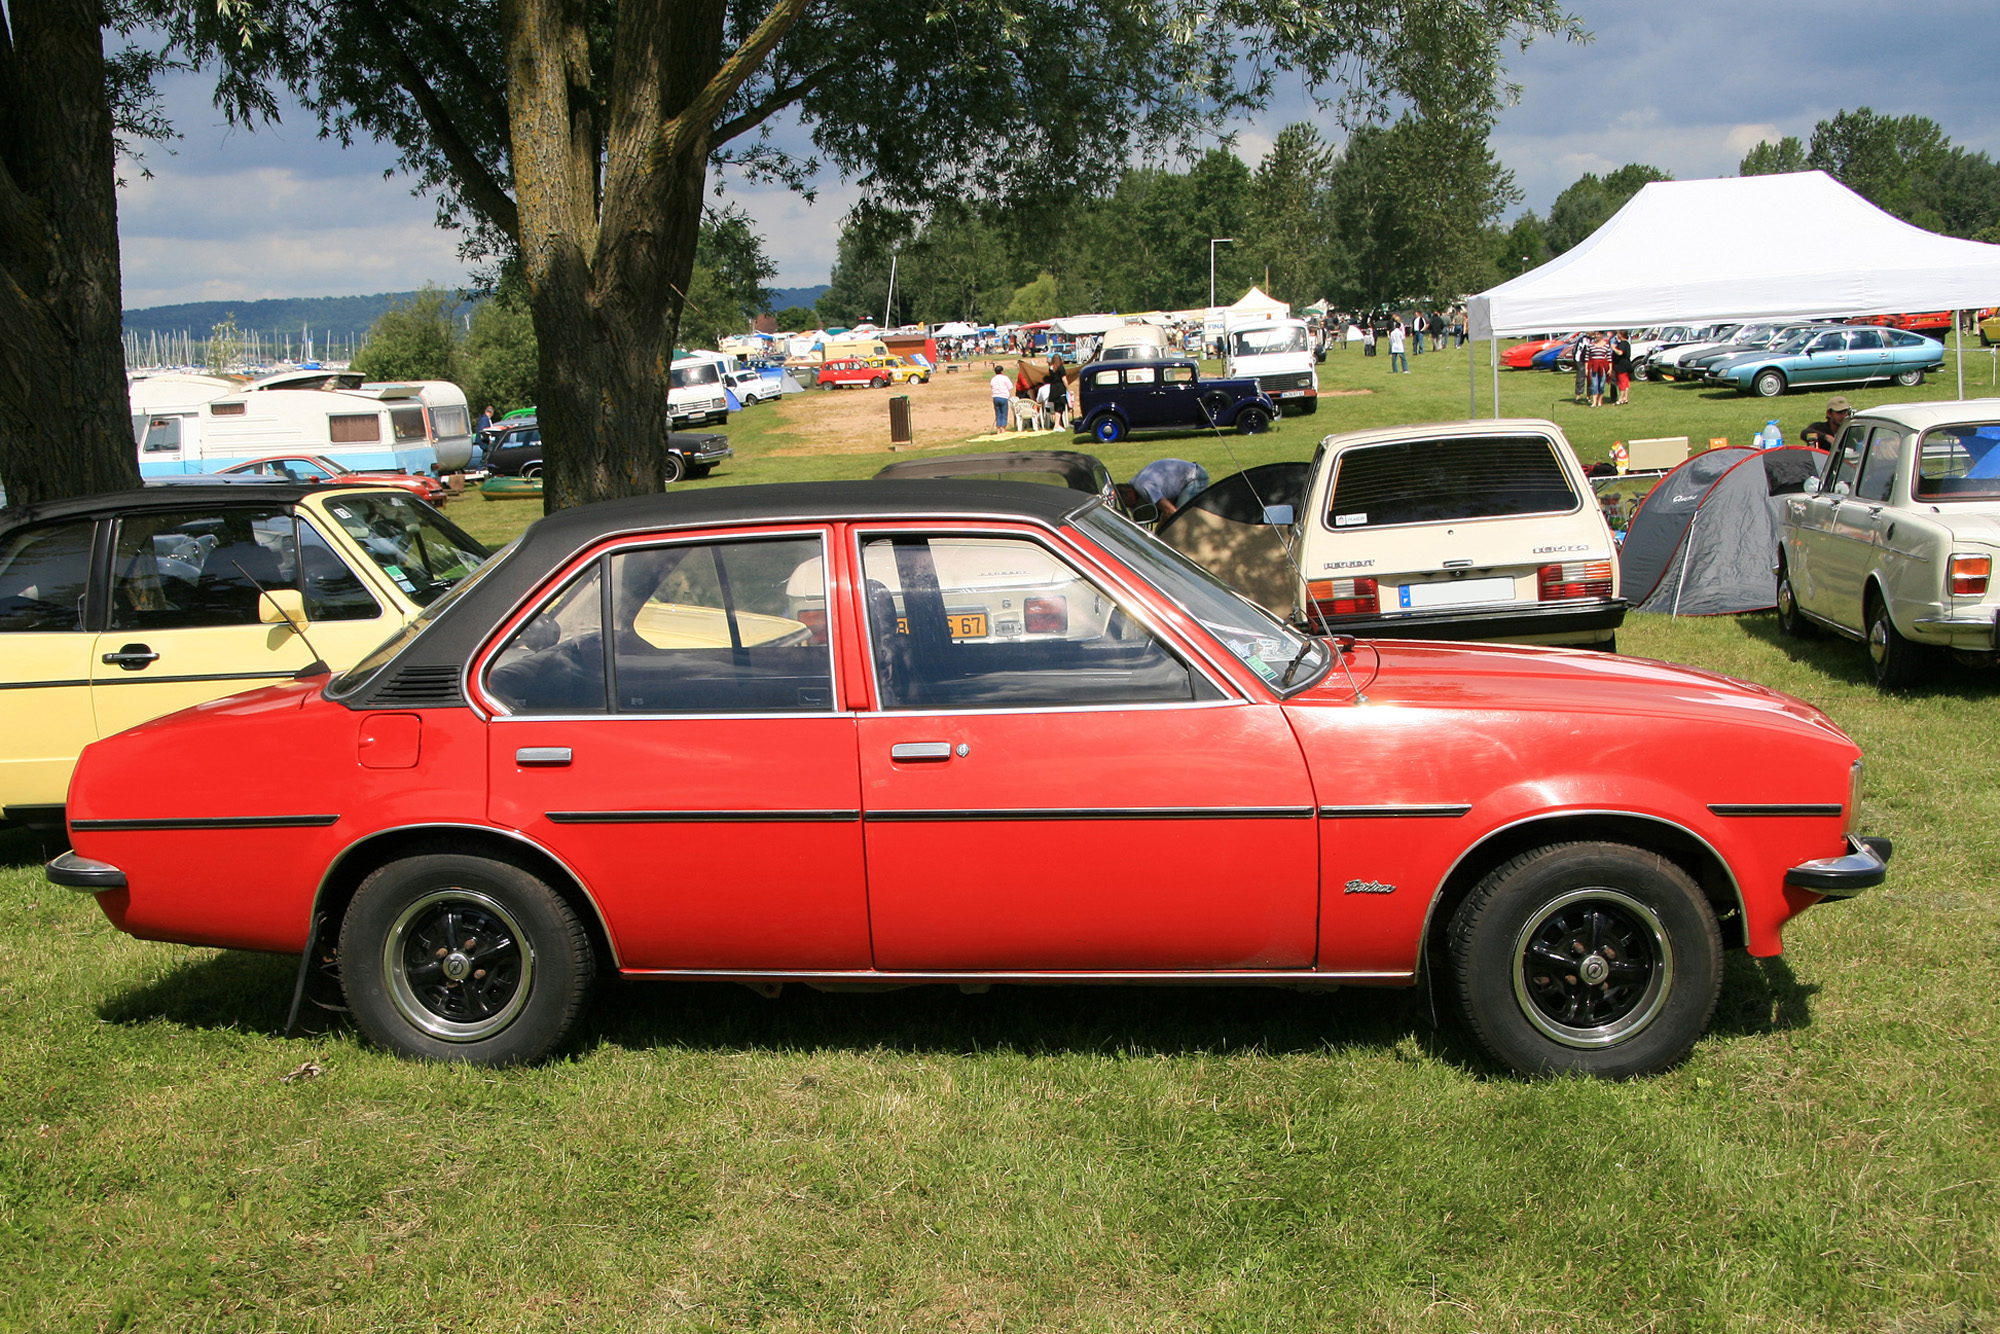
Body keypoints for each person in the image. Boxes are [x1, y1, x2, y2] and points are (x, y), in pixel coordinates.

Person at [1130, 459, 1211, 521]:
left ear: (1130, 492)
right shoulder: (1131, 484)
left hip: (1195, 476)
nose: (1128, 507)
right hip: (1177, 481)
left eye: (1127, 503)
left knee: (1180, 517)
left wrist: (1158, 532)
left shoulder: (1145, 487)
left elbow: (1170, 511)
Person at [1611, 332, 1634, 405]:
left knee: (1622, 382)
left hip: (1621, 366)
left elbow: (1620, 353)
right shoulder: (1626, 343)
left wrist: (1613, 348)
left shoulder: (1623, 344)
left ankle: (1621, 399)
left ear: (1621, 335)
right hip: (1626, 365)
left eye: (1618, 334)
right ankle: (1625, 398)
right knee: (1626, 382)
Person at [989, 364, 1012, 431]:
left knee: (998, 413)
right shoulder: (1005, 378)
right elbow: (1010, 387)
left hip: (995, 397)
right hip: (1003, 397)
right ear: (1002, 371)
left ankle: (998, 428)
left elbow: (992, 386)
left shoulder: (993, 379)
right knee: (1004, 413)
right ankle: (1003, 428)